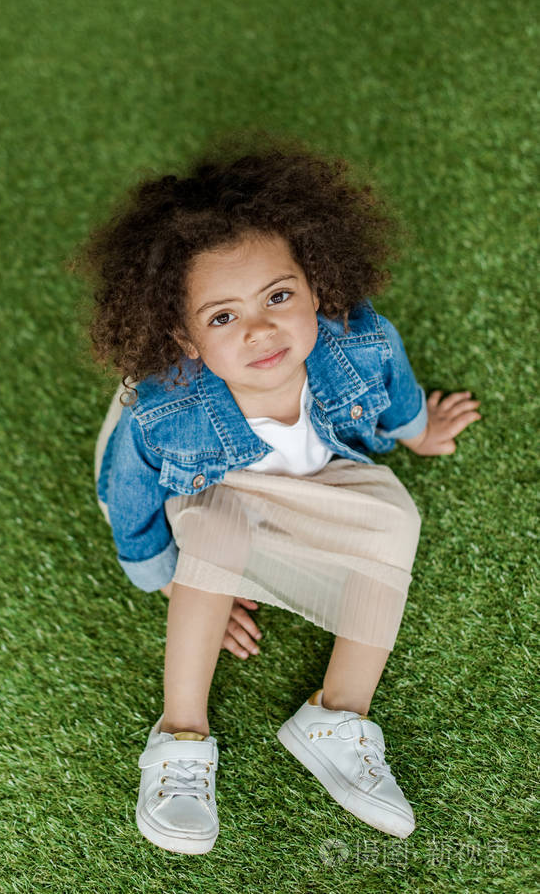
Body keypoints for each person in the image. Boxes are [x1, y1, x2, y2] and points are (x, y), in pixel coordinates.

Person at [67, 131, 482, 855]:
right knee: (218, 529)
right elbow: (127, 489)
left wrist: (416, 429)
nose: (260, 330)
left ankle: (337, 715)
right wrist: (172, 579)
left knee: (395, 515)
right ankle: (180, 734)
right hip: (209, 489)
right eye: (222, 316)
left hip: (310, 483)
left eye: (279, 296)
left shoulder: (354, 338)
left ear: (316, 288)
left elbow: (391, 380)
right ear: (186, 338)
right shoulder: (162, 408)